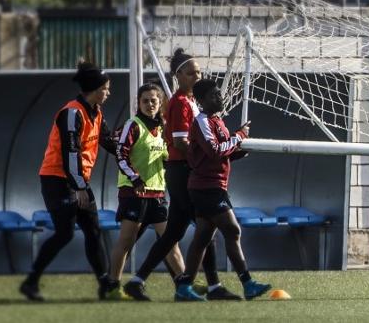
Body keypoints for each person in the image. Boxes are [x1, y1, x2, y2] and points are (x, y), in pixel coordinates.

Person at [125, 49, 238, 301]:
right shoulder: (178, 103)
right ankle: (210, 286)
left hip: (185, 171)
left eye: (199, 72)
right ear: (178, 76)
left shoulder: (191, 102)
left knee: (177, 231)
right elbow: (181, 144)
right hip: (182, 172)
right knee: (206, 228)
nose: (196, 76)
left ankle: (138, 280)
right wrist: (209, 156)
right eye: (191, 73)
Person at [20, 62, 120, 302]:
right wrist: (80, 187)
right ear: (95, 89)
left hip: (78, 179)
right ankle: (31, 281)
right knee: (65, 233)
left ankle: (104, 284)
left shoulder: (96, 112)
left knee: (93, 231)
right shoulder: (72, 112)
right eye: (106, 88)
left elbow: (108, 142)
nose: (108, 93)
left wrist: (132, 148)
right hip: (57, 179)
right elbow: (70, 154)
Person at [171, 79, 271, 301]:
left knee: (202, 239)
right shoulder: (202, 121)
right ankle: (248, 283)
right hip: (207, 187)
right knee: (232, 230)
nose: (220, 98)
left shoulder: (217, 121)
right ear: (202, 101)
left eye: (219, 94)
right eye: (215, 95)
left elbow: (223, 153)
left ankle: (184, 287)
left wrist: (240, 150)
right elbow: (215, 151)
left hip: (211, 185)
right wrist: (239, 136)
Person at [106, 83, 186, 297]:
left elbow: (169, 158)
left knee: (170, 241)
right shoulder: (132, 125)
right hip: (134, 193)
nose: (150, 104)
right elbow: (120, 154)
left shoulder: (163, 128)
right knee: (126, 241)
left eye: (154, 100)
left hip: (158, 194)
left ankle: (184, 285)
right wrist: (135, 178)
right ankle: (113, 285)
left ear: (160, 103)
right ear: (138, 103)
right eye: (145, 100)